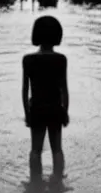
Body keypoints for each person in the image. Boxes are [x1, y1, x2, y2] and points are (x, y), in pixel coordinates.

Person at [22, 16, 69, 180]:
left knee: (36, 150)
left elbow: (25, 90)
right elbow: (64, 89)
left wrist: (27, 113)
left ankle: (35, 183)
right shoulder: (61, 60)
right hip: (55, 109)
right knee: (57, 149)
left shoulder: (28, 60)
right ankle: (58, 181)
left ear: (36, 35)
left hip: (37, 108)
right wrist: (65, 111)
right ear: (57, 35)